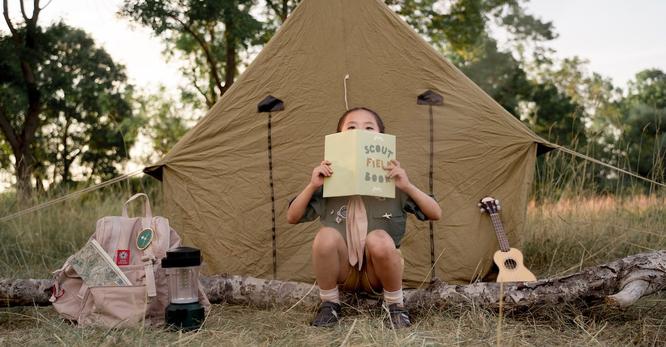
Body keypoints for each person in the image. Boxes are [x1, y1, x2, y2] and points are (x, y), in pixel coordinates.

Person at [287, 107, 441, 328]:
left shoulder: (392, 181)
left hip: (377, 274)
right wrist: (313, 185)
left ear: (380, 138)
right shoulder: (329, 181)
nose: (360, 132)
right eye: (351, 127)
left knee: (379, 237)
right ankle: (330, 304)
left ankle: (395, 306)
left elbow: (435, 213)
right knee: (325, 236)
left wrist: (407, 185)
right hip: (343, 272)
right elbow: (292, 217)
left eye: (369, 128)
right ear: (339, 138)